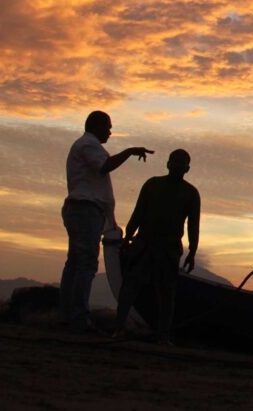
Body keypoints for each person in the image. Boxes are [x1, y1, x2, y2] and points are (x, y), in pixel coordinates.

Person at [59, 111, 153, 333]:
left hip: (84, 211)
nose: (110, 132)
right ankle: (79, 318)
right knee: (85, 264)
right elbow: (104, 166)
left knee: (75, 263)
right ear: (96, 125)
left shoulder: (86, 146)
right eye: (108, 127)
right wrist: (129, 152)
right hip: (85, 211)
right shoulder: (88, 145)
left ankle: (68, 315)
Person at [113, 149, 201, 343]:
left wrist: (192, 251)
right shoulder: (152, 185)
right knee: (130, 286)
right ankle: (119, 328)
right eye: (175, 161)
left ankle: (163, 335)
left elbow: (193, 226)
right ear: (168, 164)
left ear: (187, 168)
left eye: (182, 163)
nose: (178, 166)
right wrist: (128, 237)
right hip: (144, 242)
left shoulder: (191, 194)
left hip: (169, 247)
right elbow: (138, 213)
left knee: (166, 292)